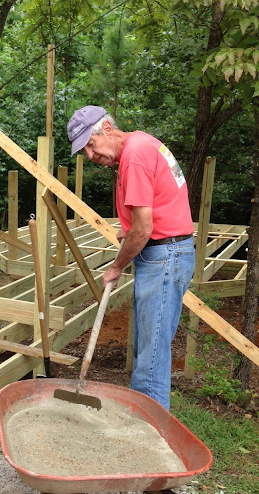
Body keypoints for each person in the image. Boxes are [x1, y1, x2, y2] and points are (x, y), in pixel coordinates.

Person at [67, 106, 195, 411]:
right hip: (167, 253)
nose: (90, 155)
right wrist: (131, 231)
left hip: (164, 258)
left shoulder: (134, 156)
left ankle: (148, 431)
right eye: (84, 150)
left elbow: (144, 229)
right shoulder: (141, 144)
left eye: (91, 145)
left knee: (151, 359)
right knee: (148, 350)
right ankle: (144, 421)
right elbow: (154, 208)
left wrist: (116, 267)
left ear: (107, 129)